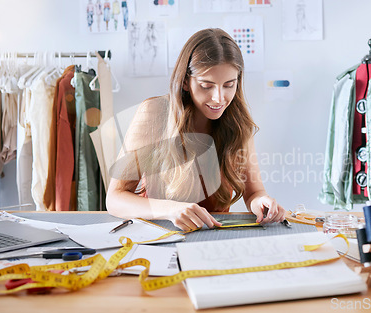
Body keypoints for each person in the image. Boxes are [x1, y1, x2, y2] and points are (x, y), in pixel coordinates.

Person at [106, 28, 285, 231]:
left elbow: (254, 192)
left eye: (229, 85)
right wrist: (171, 210)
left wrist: (263, 202)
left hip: (213, 237)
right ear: (185, 82)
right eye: (206, 86)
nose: (219, 98)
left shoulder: (238, 124)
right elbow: (114, 199)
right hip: (158, 235)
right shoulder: (154, 114)